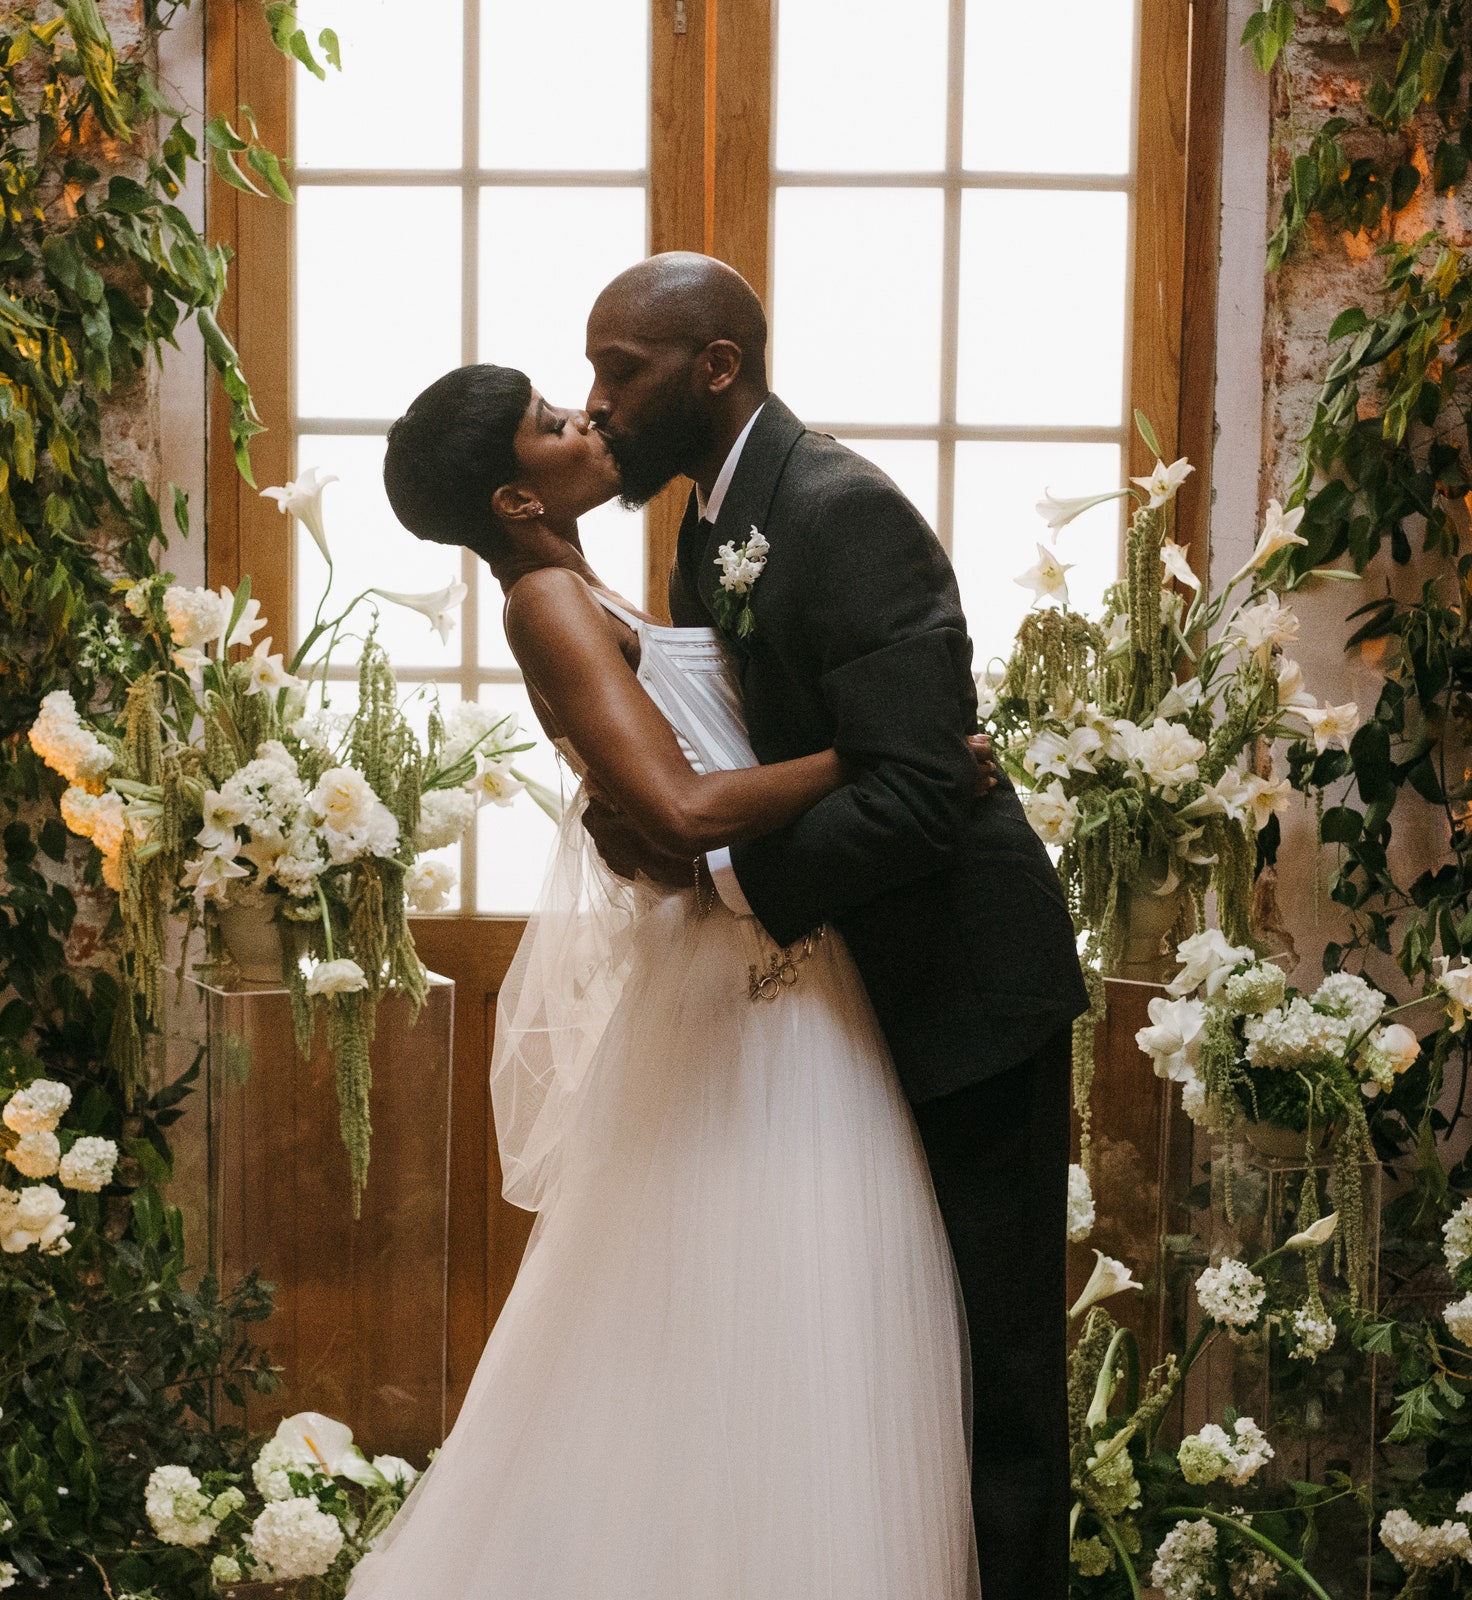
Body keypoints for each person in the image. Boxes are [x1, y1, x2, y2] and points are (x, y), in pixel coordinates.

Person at [346, 362, 981, 1598]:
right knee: (751, 1300)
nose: (584, 419)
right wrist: (880, 756)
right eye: (549, 421)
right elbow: (683, 809)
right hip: (739, 991)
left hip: (774, 966)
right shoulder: (547, 605)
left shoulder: (586, 583)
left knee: (767, 1333)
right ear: (514, 499)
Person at [580, 253, 1089, 1600]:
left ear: (717, 366)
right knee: (886, 1358)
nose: (598, 406)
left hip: (970, 991)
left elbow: (927, 789)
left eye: (618, 373)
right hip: (851, 998)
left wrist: (738, 882)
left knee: (998, 1370)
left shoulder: (843, 510)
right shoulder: (708, 527)